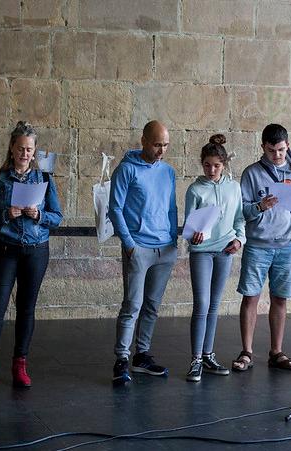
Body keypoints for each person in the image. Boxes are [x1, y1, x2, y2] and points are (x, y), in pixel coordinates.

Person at [0, 121, 62, 392]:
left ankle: (20, 364)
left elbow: (57, 217)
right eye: (20, 148)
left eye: (29, 149)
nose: (25, 153)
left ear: (34, 152)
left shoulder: (44, 179)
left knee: (26, 308)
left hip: (36, 250)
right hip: (5, 248)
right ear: (12, 148)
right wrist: (4, 214)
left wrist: (39, 215)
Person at [232, 123, 291, 372]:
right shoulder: (252, 173)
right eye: (271, 150)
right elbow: (242, 211)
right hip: (258, 245)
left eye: (281, 150)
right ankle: (246, 352)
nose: (277, 155)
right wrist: (260, 207)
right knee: (251, 297)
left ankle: (276, 352)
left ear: (288, 146)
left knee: (280, 298)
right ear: (263, 147)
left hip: (287, 245)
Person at [109, 120, 178, 385]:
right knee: (132, 305)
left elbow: (171, 207)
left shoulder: (168, 172)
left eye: (166, 145)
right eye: (157, 144)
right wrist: (129, 244)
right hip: (138, 247)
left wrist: (173, 239)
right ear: (144, 141)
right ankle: (121, 359)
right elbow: (115, 208)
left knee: (152, 306)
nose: (162, 150)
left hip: (165, 248)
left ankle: (142, 355)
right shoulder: (126, 169)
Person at [184, 134, 245, 382]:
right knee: (202, 303)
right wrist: (193, 236)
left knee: (214, 304)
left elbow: (239, 218)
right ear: (202, 164)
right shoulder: (195, 189)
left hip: (225, 250)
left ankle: (208, 355)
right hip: (201, 252)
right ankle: (196, 360)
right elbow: (189, 227)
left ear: (224, 165)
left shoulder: (234, 188)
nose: (211, 170)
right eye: (207, 165)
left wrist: (239, 240)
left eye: (216, 166)